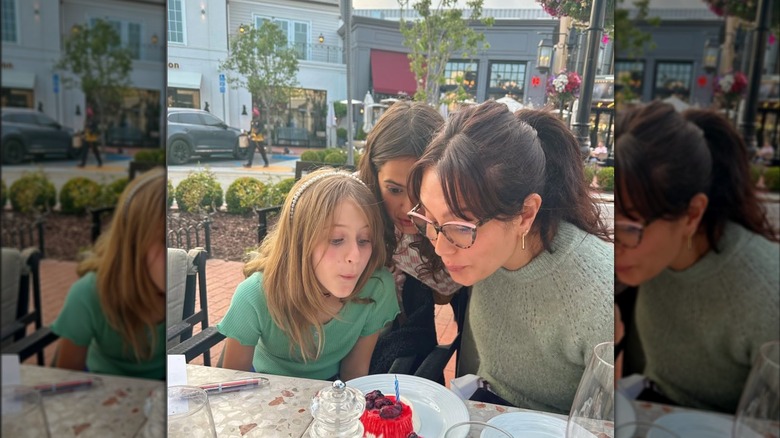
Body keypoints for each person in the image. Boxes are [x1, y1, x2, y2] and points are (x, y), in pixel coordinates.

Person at [406, 101, 613, 413]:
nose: (440, 247)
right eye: (430, 219)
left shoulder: (603, 297)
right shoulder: (487, 258)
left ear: (526, 214)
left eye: (460, 227)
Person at [614, 101, 779, 413]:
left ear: (692, 215)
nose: (616, 244)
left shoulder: (767, 292)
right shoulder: (645, 262)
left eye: (630, 226)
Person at [217, 168, 400, 381]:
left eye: (364, 239)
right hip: (262, 388)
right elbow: (233, 385)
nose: (355, 256)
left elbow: (354, 372)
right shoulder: (254, 294)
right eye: (336, 240)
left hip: (332, 393)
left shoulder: (377, 287)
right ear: (299, 242)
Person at [356, 101, 464, 376]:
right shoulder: (350, 208)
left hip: (411, 356)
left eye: (420, 191)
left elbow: (445, 295)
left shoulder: (458, 220)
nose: (408, 208)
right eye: (394, 189)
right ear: (373, 173)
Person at [50, 168, 166, 379]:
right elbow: (66, 380)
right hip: (104, 393)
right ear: (133, 244)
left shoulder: (177, 289)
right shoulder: (89, 294)